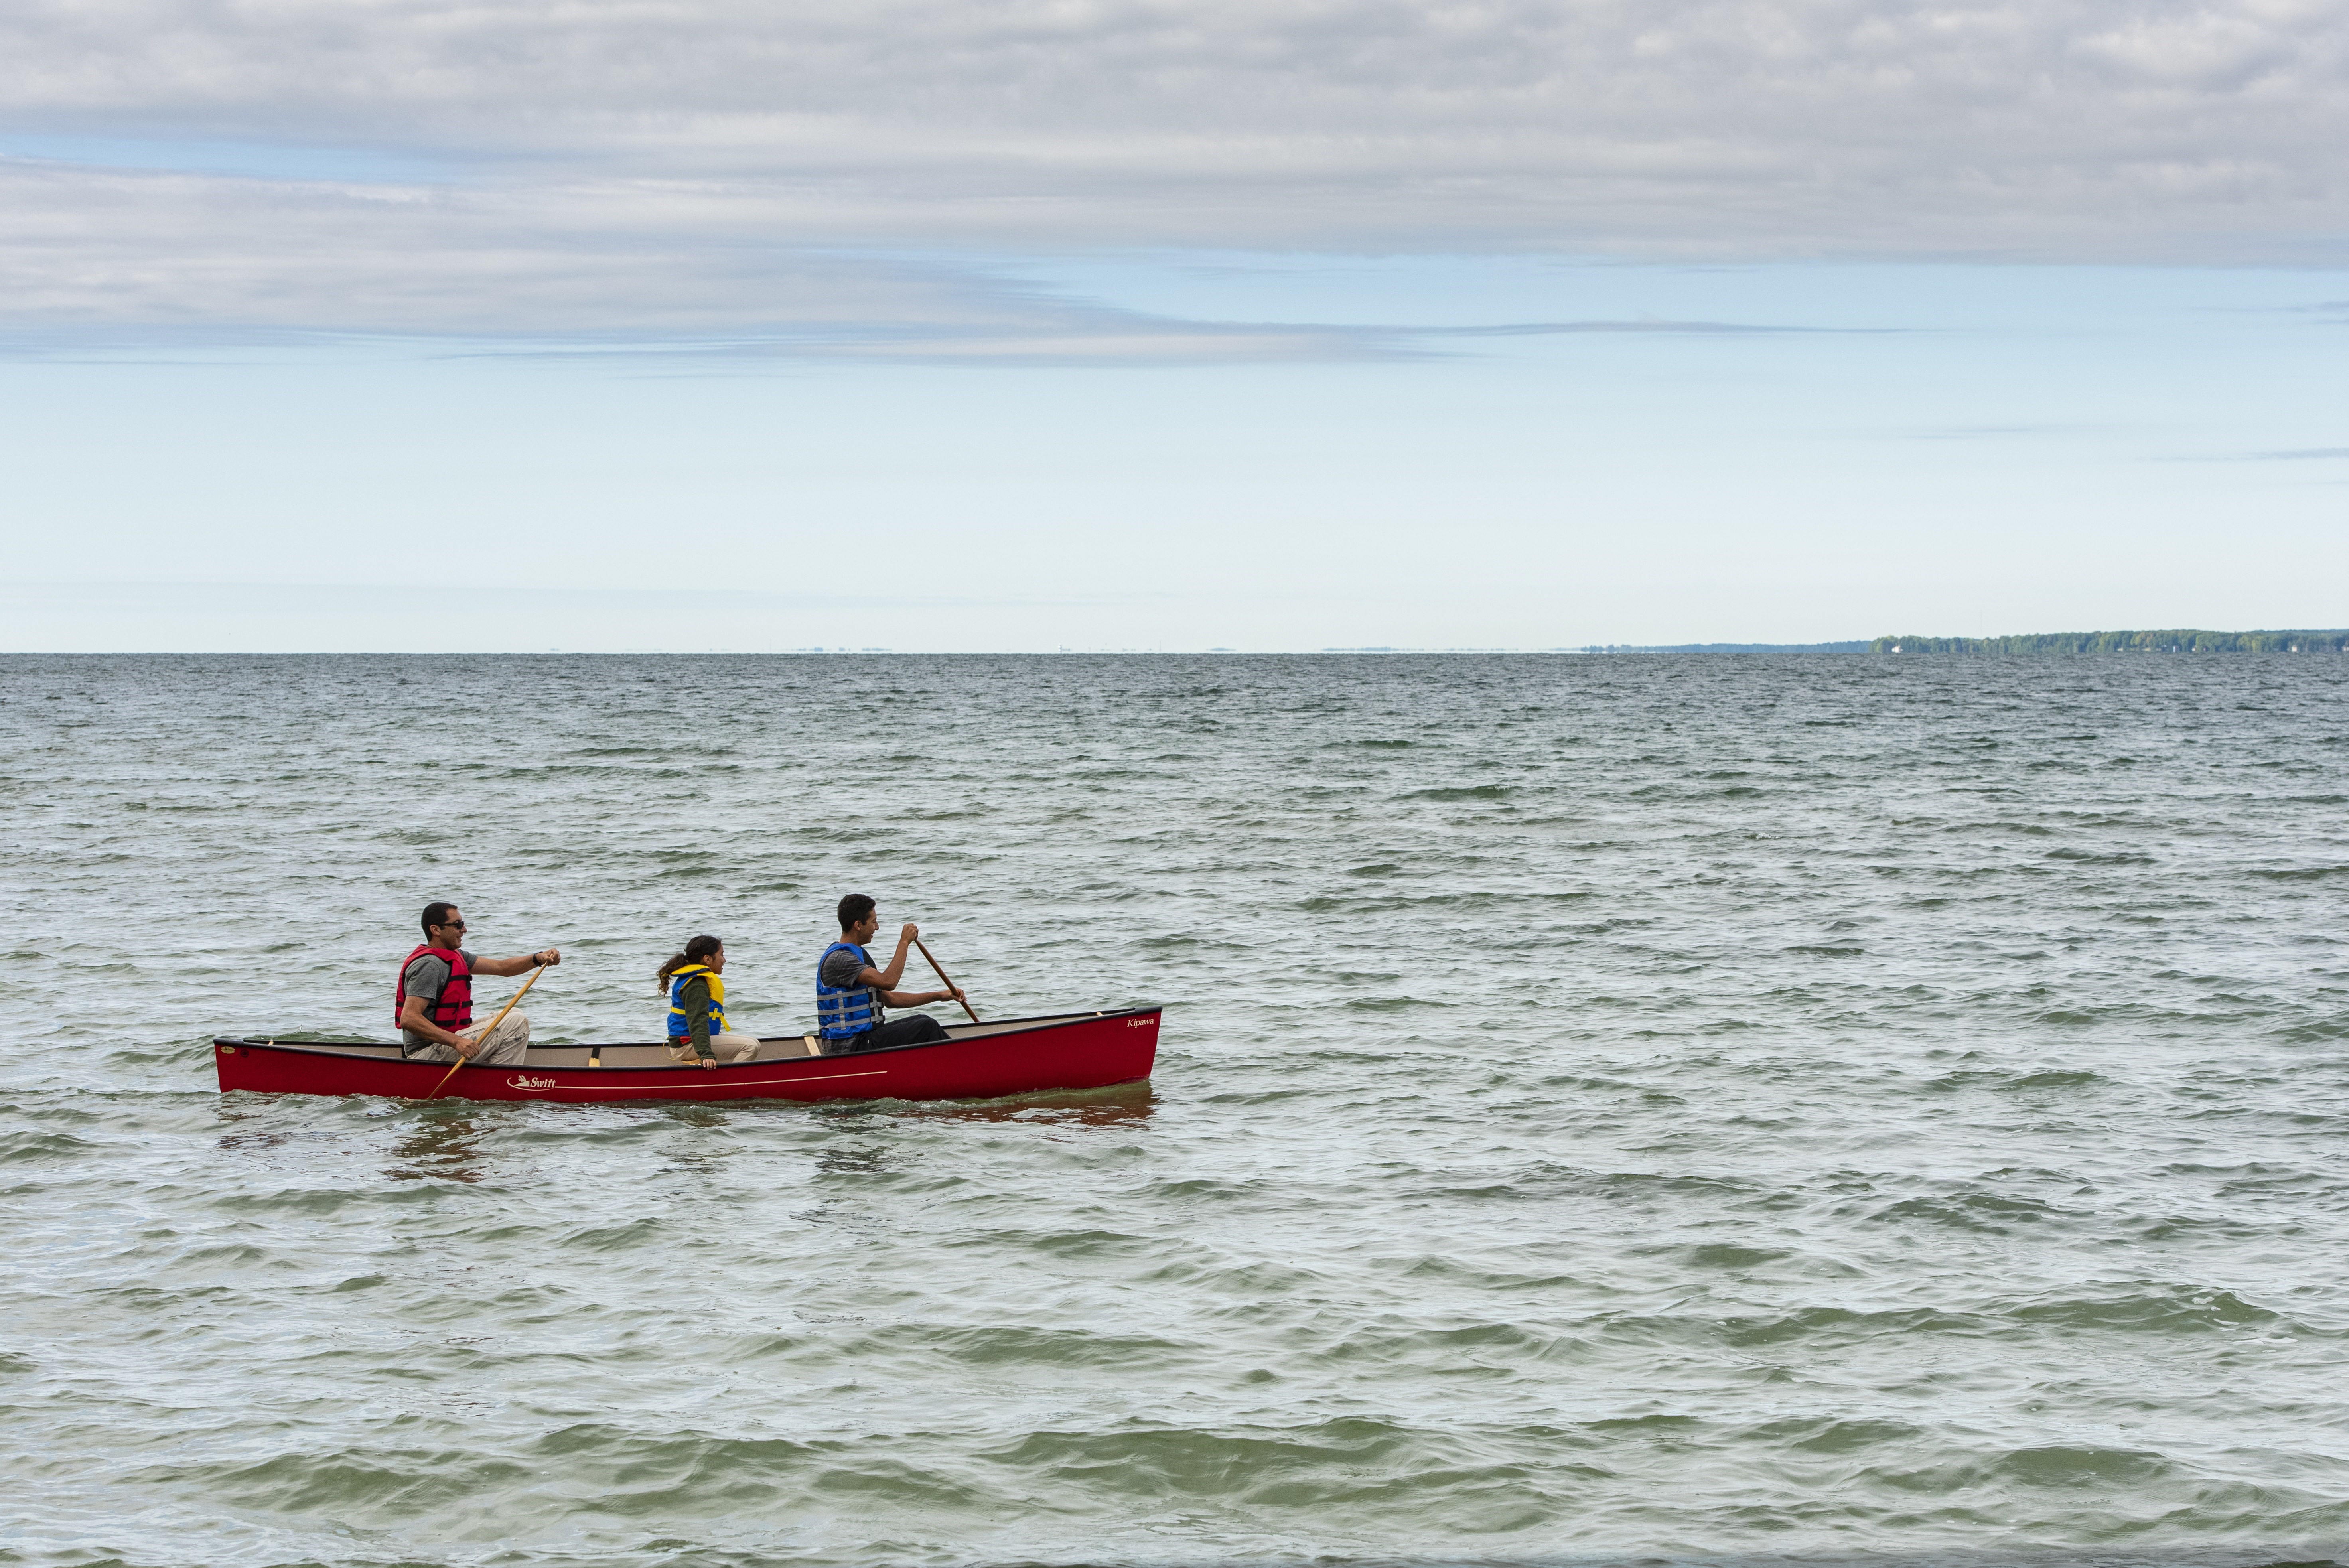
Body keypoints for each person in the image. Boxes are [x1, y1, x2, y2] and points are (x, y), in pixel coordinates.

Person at [396, 901, 560, 1066]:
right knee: (516, 1023)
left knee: (513, 1013)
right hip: (425, 1055)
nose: (464, 930)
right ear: (436, 930)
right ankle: (499, 1082)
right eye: (458, 925)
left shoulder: (457, 956)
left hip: (444, 1045)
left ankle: (487, 1073)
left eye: (463, 924)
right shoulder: (430, 966)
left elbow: (503, 968)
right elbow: (409, 1018)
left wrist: (538, 958)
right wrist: (457, 1042)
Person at [815, 894, 965, 1054]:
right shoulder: (841, 959)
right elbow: (889, 982)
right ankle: (965, 1065)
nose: (877, 927)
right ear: (858, 925)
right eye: (874, 922)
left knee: (923, 1020)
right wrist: (904, 942)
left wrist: (940, 996)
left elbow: (890, 999)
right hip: (848, 1045)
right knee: (926, 1027)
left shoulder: (857, 957)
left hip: (862, 1039)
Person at [658, 935, 763, 1069]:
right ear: (708, 959)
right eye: (722, 955)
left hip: (691, 1041)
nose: (724, 960)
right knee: (750, 1047)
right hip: (686, 1045)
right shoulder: (697, 985)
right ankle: (731, 1083)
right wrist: (706, 1054)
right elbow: (698, 1021)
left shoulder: (697, 980)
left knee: (754, 1042)